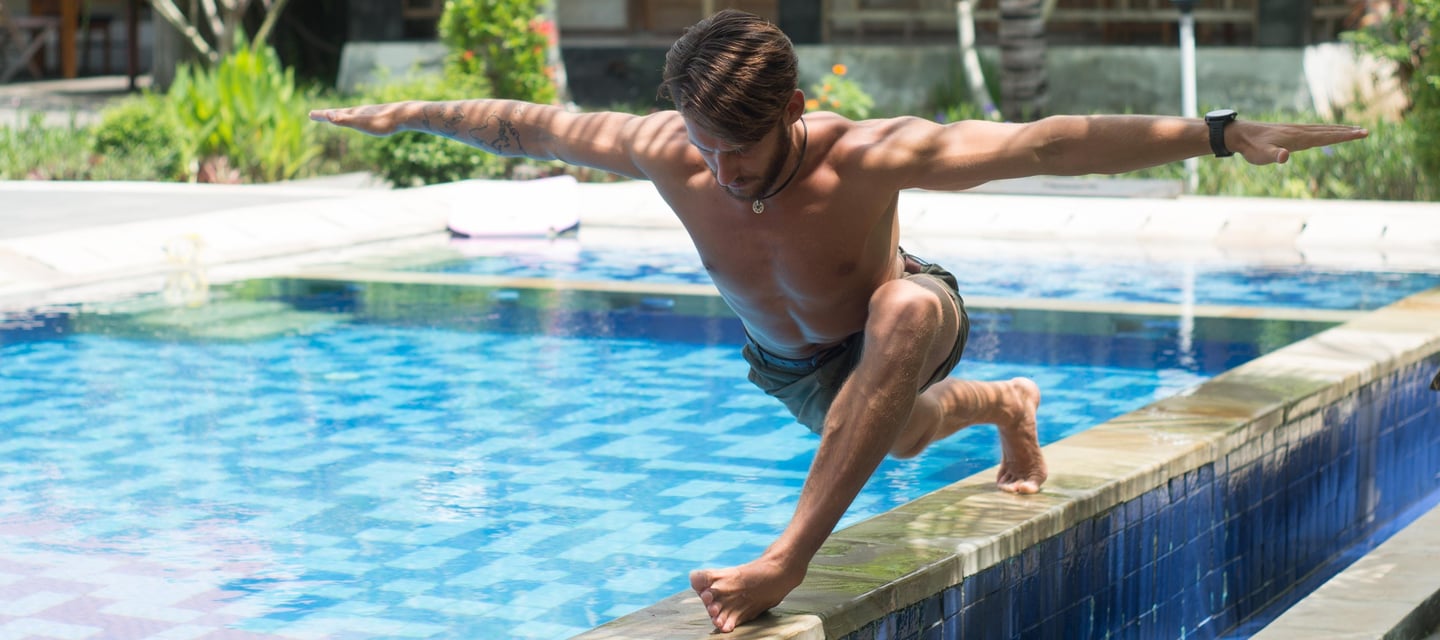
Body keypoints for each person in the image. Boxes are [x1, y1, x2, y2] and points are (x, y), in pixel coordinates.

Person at [310, 9, 1368, 633]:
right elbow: (530, 124)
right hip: (794, 365)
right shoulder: (671, 150)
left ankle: (788, 557)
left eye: (742, 149)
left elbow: (1046, 143)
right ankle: (1008, 403)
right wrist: (413, 113)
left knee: (902, 311)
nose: (720, 173)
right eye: (702, 148)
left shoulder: (866, 155)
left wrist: (1220, 135)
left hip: (908, 311)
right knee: (896, 430)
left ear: (793, 111)